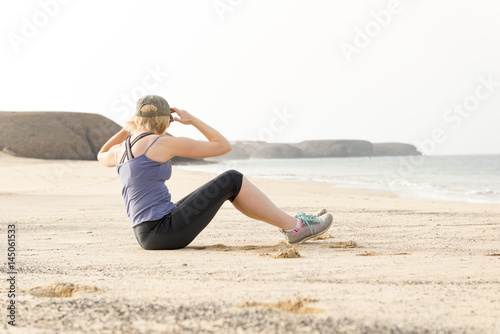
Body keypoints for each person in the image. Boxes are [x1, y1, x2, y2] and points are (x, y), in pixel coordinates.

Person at [97, 95, 333, 250]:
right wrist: (193, 120)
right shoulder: (161, 143)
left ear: (136, 120)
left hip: (146, 233)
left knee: (229, 188)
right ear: (165, 121)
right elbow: (222, 145)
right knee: (232, 179)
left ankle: (291, 224)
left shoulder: (120, 150)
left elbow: (101, 154)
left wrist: (127, 128)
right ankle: (296, 228)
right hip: (163, 232)